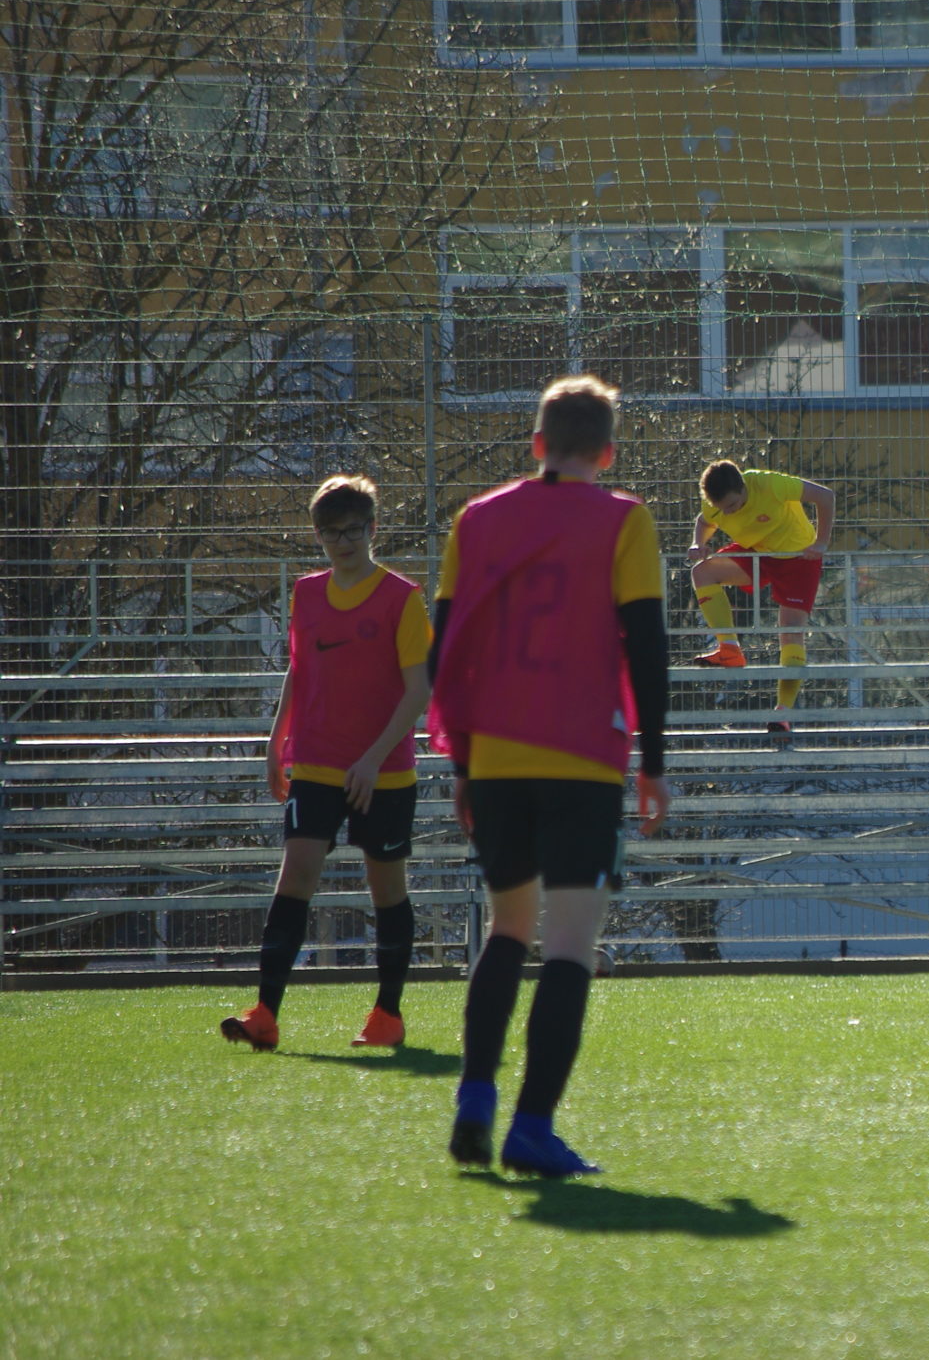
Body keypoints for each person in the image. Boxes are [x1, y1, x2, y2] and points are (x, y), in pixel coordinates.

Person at [431, 375, 672, 1175]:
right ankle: (531, 1128)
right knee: (569, 941)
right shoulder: (624, 519)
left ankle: (475, 1099)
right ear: (607, 452)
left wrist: (462, 759)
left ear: (536, 443)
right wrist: (654, 761)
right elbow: (647, 643)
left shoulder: (476, 518)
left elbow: (447, 644)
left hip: (497, 754)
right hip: (581, 755)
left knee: (507, 927)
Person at [221, 476, 429, 1053]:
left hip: (383, 772)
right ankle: (265, 1014)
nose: (343, 542)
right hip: (315, 764)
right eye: (331, 533)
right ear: (317, 536)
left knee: (387, 888)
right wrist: (276, 740)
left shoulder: (401, 598)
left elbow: (419, 690)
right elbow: (300, 668)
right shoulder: (308, 594)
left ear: (373, 529)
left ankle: (387, 1015)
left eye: (354, 530)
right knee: (296, 877)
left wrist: (372, 758)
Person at [686, 459, 836, 736]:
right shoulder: (715, 505)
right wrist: (698, 543)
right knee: (702, 572)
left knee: (791, 631)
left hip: (799, 557)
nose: (728, 512)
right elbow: (705, 521)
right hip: (757, 552)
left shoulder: (768, 483)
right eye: (723, 508)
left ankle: (783, 713)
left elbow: (825, 496)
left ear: (744, 486)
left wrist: (821, 542)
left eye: (733, 505)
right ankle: (729, 648)